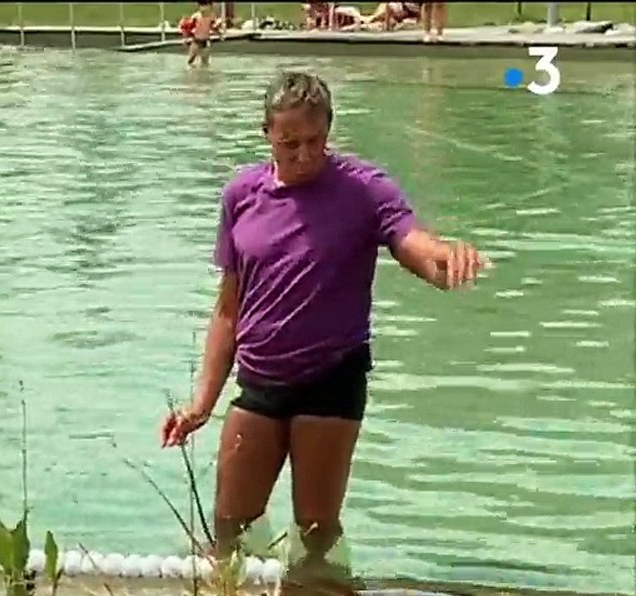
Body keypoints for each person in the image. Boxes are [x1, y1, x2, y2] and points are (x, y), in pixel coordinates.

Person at [160, 71, 486, 564]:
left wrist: (442, 259)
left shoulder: (363, 189)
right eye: (289, 142)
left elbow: (409, 240)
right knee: (230, 524)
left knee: (315, 529)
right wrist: (201, 404)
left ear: (329, 130)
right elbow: (229, 307)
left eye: (315, 140)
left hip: (331, 378)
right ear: (266, 132)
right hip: (261, 379)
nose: (304, 154)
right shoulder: (241, 196)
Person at [186, 0, 216, 68]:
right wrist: (187, 36)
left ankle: (203, 75)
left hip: (206, 41)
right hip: (196, 41)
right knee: (191, 60)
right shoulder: (196, 16)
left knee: (205, 62)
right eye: (202, 6)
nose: (204, 8)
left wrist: (219, 34)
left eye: (206, 6)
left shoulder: (211, 17)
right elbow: (190, 27)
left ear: (210, 6)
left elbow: (213, 27)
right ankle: (192, 72)